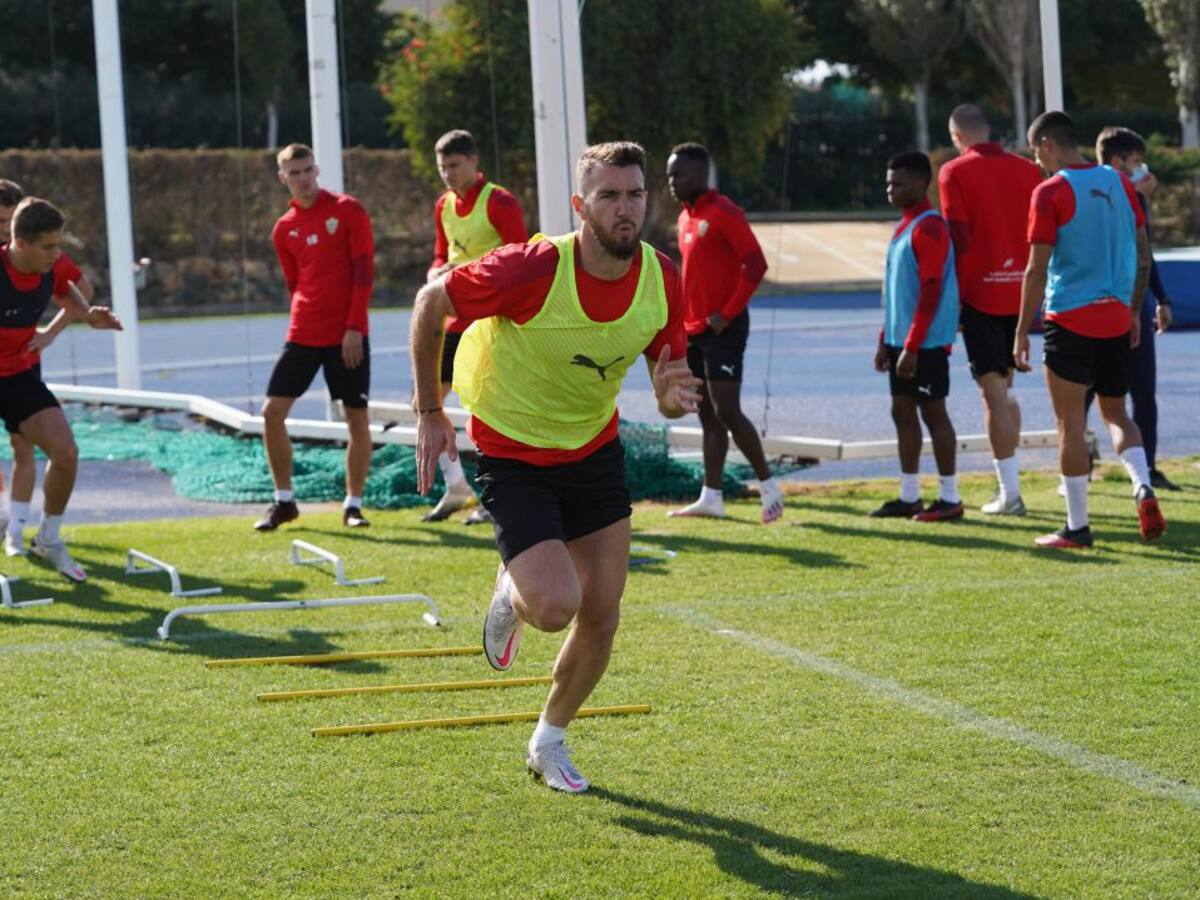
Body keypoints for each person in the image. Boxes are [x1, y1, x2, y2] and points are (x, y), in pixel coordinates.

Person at [410, 142, 700, 793]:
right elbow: (431, 303)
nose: (625, 209)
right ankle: (511, 589)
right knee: (552, 606)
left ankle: (549, 741)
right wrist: (430, 411)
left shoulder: (662, 278)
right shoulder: (533, 268)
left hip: (592, 449)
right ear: (580, 206)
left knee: (602, 612)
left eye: (635, 194)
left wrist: (668, 397)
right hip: (513, 449)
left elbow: (668, 383)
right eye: (609, 196)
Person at [1015, 111, 1165, 549]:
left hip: (1070, 319)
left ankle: (1077, 527)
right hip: (1116, 316)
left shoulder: (1050, 192)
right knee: (1117, 414)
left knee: (1070, 424)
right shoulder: (1120, 183)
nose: (1037, 162)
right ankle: (1142, 485)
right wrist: (1133, 310)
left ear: (1047, 145)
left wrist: (1021, 330)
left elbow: (1035, 271)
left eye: (1036, 153)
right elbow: (1142, 252)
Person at [255, 144, 376, 531]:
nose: (303, 178)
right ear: (283, 178)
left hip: (347, 335)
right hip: (304, 333)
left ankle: (353, 505)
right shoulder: (283, 228)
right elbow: (294, 284)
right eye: (294, 172)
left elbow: (364, 273)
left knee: (355, 418)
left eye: (307, 170)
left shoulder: (348, 210)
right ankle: (284, 501)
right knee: (271, 413)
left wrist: (354, 327)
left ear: (317, 170)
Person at [1, 197, 122, 580]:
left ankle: (48, 539)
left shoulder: (53, 266)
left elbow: (69, 288)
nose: (57, 254)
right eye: (48, 247)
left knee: (66, 452)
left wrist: (86, 315)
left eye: (58, 244)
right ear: (20, 243)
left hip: (16, 374)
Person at [664, 143, 782, 524]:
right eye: (669, 175)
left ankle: (769, 487)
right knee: (708, 417)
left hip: (724, 329)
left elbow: (755, 264)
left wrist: (726, 314)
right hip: (694, 329)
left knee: (727, 410)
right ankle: (711, 496)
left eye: (678, 174)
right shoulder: (685, 217)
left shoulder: (725, 212)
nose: (672, 181)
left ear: (701, 174)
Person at [939, 104, 1044, 515]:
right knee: (1006, 390)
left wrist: (955, 302)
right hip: (1022, 292)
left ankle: (1011, 493)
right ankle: (1011, 485)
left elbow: (959, 238)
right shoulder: (1028, 170)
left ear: (957, 136)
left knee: (993, 394)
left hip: (981, 294)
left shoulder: (954, 172)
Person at [421, 129, 529, 523]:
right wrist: (436, 270)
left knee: (489, 411)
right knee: (424, 402)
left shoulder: (499, 201)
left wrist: (462, 270)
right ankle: (456, 487)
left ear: (473, 161)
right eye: (442, 167)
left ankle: (494, 495)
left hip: (490, 321)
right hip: (454, 320)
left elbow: (521, 258)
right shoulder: (444, 205)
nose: (447, 174)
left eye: (454, 165)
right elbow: (441, 254)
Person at [871, 152, 963, 522]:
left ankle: (950, 497)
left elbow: (931, 290)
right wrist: (885, 339)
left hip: (925, 343)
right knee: (902, 412)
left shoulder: (930, 227)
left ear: (922, 183)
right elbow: (897, 293)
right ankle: (909, 496)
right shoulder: (904, 225)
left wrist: (911, 346)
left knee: (933, 414)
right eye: (888, 183)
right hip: (901, 341)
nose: (890, 189)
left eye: (898, 183)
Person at [1092, 127, 1177, 491]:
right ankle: (1075, 468)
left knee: (1143, 391)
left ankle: (1148, 469)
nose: (1143, 169)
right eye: (1137, 162)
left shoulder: (1134, 199)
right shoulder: (1092, 194)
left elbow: (1144, 253)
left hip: (1135, 303)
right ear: (1117, 162)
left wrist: (1161, 298)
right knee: (1085, 392)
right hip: (1096, 306)